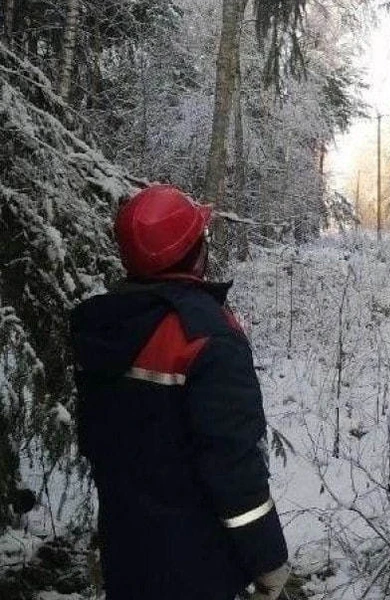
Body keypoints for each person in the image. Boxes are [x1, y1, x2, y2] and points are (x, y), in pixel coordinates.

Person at [69, 184, 289, 600]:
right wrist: (268, 559)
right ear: (196, 252)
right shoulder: (207, 337)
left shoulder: (101, 326)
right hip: (198, 568)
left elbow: (100, 445)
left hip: (125, 553)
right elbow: (234, 467)